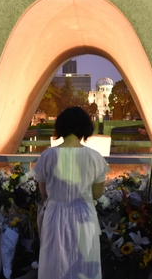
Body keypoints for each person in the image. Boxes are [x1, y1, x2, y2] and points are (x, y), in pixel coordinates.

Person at [32, 106, 110, 279]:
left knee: (54, 264)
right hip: (84, 215)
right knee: (84, 265)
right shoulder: (94, 157)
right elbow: (97, 193)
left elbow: (44, 192)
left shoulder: (48, 155)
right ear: (85, 128)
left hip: (54, 215)